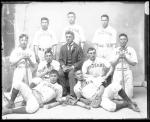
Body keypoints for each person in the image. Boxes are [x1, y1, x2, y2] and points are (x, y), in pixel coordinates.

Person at [74, 69, 140, 112]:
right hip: (96, 99)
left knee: (115, 85)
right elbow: (79, 98)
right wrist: (89, 101)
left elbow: (102, 86)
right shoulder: (76, 87)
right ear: (75, 77)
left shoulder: (90, 78)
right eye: (78, 74)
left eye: (81, 73)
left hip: (103, 92)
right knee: (111, 108)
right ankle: (126, 104)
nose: (80, 75)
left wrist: (99, 94)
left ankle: (130, 102)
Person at [6, 34, 37, 108]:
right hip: (19, 69)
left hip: (27, 69)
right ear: (19, 41)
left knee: (28, 86)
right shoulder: (15, 51)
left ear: (27, 41)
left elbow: (33, 65)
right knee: (16, 85)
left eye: (25, 40)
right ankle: (12, 102)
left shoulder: (30, 51)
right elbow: (11, 63)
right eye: (22, 40)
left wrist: (28, 59)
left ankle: (25, 100)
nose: (24, 42)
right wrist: (21, 58)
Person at [111, 33, 138, 99]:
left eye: (124, 39)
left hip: (127, 71)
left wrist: (126, 58)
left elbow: (134, 63)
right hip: (117, 71)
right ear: (119, 41)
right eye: (121, 39)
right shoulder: (115, 50)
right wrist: (118, 58)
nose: (122, 41)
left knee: (129, 96)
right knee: (116, 95)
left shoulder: (131, 50)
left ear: (127, 40)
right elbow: (112, 64)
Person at [59, 30, 84, 97]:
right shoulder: (63, 47)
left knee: (71, 73)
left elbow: (81, 60)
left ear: (73, 38)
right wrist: (63, 66)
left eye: (70, 37)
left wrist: (73, 67)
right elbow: (60, 59)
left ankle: (72, 94)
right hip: (65, 66)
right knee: (60, 73)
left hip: (74, 67)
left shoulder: (78, 48)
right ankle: (63, 92)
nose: (68, 38)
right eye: (66, 37)